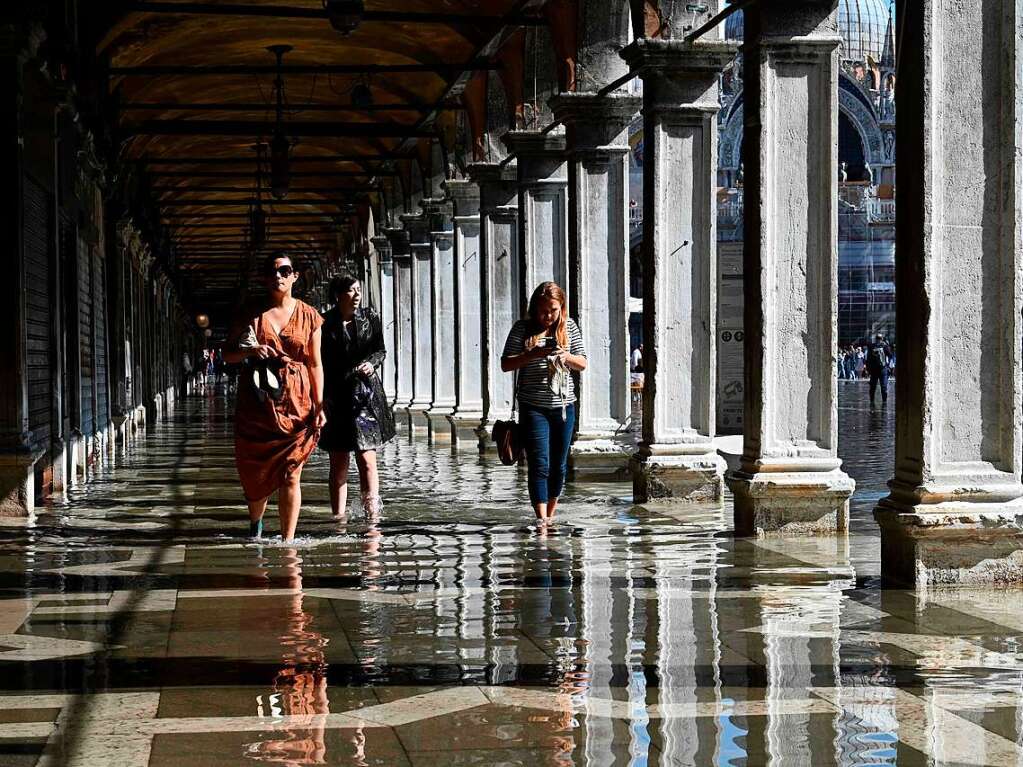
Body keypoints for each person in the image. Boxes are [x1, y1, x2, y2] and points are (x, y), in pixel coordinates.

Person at [224, 253, 326, 541]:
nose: (278, 276)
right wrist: (249, 352)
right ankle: (256, 523)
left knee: (292, 471)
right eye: (272, 272)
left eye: (285, 271)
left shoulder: (310, 316)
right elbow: (228, 354)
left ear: (295, 276)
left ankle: (288, 541)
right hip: (258, 403)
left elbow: (315, 363)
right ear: (265, 278)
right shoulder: (251, 314)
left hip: (297, 404)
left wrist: (320, 405)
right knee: (255, 472)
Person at [501, 282, 587, 525]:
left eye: (553, 310)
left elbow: (583, 363)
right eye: (542, 311)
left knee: (559, 466)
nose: (547, 316)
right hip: (533, 407)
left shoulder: (569, 327)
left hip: (563, 407)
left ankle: (550, 514)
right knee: (540, 462)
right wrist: (532, 355)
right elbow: (506, 364)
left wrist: (566, 357)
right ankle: (541, 520)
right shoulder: (522, 328)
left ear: (561, 308)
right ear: (533, 309)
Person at [319, 273, 396, 518]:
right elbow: (317, 362)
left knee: (367, 459)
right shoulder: (324, 323)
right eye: (351, 291)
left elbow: (380, 350)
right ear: (338, 295)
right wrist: (320, 397)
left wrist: (372, 364)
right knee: (338, 460)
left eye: (359, 290)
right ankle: (338, 517)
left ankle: (371, 516)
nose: (357, 295)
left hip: (365, 395)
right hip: (336, 395)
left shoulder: (370, 318)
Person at [866, 332, 892, 405]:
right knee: (873, 387)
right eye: (877, 338)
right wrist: (868, 369)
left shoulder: (884, 346)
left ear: (882, 339)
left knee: (883, 387)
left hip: (882, 369)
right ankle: (872, 402)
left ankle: (884, 402)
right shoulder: (872, 347)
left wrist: (887, 346)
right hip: (875, 370)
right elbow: (868, 359)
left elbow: (890, 355)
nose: (878, 340)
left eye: (879, 338)